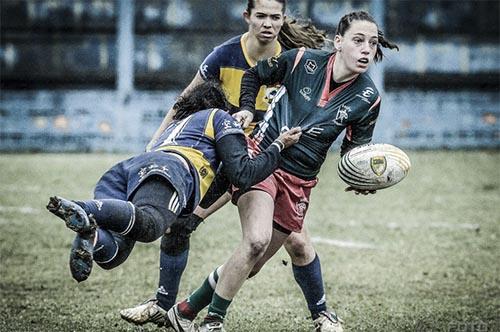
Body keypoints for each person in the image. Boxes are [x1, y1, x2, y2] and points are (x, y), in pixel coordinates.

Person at [165, 10, 399, 332]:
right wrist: (247, 107)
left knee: (254, 263)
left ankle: (185, 310)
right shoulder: (303, 60)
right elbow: (253, 76)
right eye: (358, 40)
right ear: (338, 42)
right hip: (263, 158)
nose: (366, 49)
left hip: (300, 182)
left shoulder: (368, 98)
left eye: (372, 44)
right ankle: (212, 323)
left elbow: (353, 152)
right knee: (256, 241)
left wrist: (363, 177)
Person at [120, 1, 343, 331]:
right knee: (180, 225)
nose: (267, 23)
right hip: (225, 162)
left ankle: (322, 314)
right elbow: (184, 102)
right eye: (261, 16)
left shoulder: (296, 58)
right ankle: (163, 307)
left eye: (274, 17)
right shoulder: (224, 56)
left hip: (270, 165)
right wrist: (153, 147)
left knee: (292, 243)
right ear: (247, 17)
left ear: (283, 19)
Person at [46, 80, 301, 286]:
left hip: (127, 171)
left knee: (114, 253)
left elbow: (217, 183)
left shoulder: (176, 126)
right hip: (171, 168)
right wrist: (278, 145)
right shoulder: (219, 117)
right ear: (221, 106)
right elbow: (242, 173)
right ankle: (83, 208)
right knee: (151, 225)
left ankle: (90, 235)